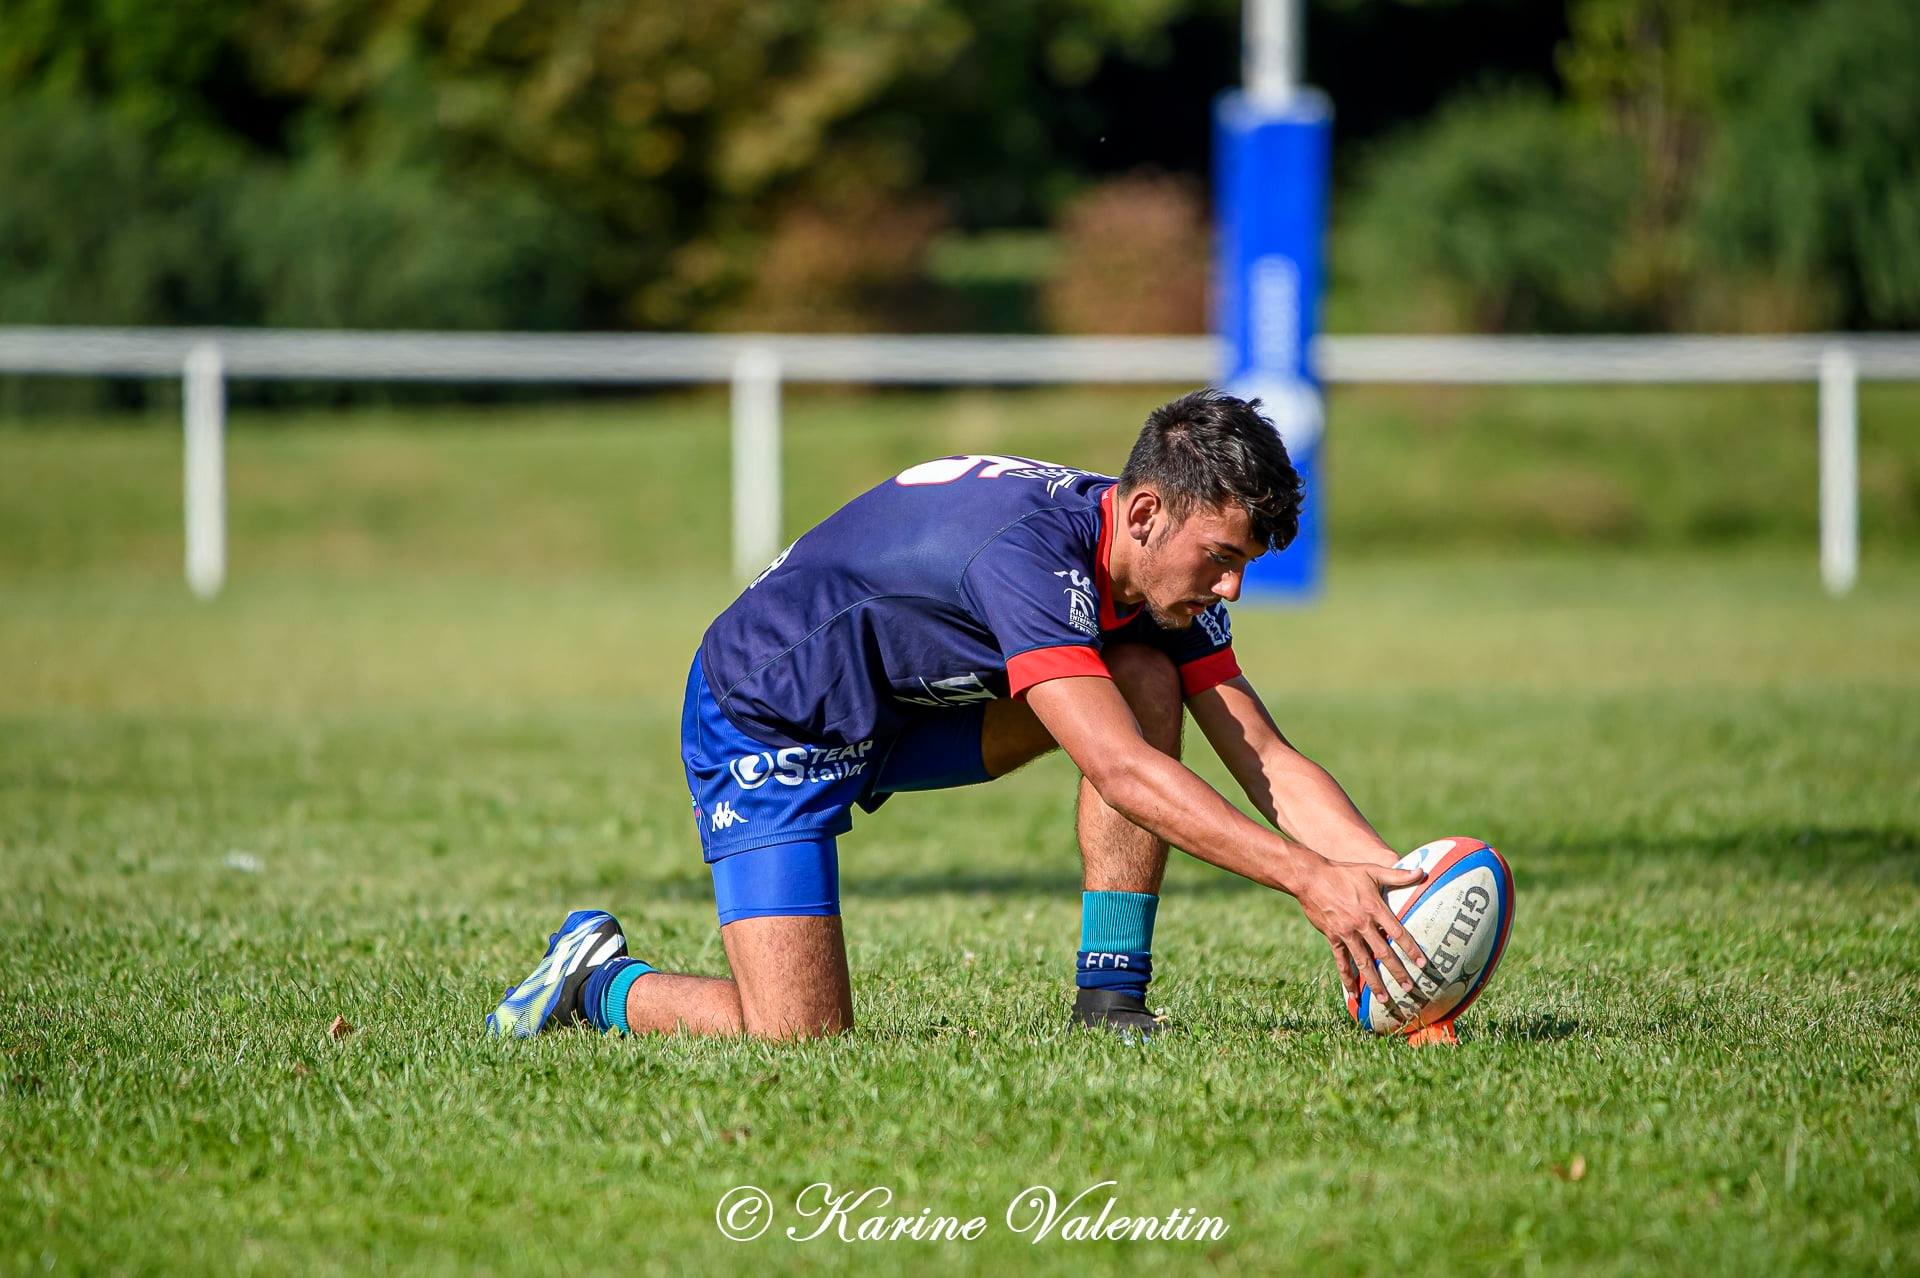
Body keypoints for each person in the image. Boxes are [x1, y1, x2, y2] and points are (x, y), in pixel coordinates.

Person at [485, 388, 1428, 1041]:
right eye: (1220, 556)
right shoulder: (1027, 560)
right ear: (1144, 513)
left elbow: (1265, 754)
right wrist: (1309, 880)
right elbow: (1123, 775)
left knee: (1145, 673)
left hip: (904, 706)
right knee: (797, 1039)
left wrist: (1392, 892)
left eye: (1243, 566)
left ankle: (1111, 1000)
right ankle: (598, 983)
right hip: (773, 720)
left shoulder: (1147, 577)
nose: (1230, 586)